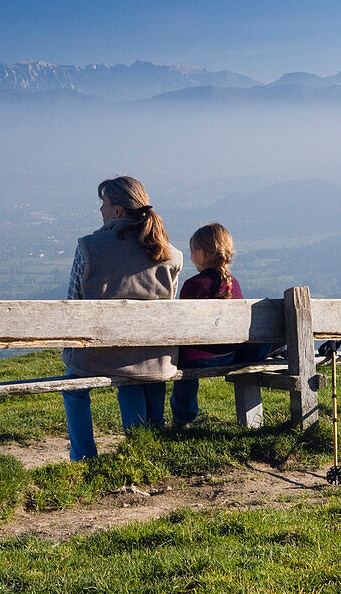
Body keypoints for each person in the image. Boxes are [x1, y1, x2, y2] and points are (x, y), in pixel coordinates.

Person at [61, 176, 182, 460]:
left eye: (103, 204)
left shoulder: (89, 248)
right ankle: (143, 448)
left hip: (97, 357)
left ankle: (83, 456)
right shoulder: (170, 254)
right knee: (137, 375)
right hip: (154, 359)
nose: (100, 211)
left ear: (117, 211)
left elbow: (72, 304)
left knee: (73, 386)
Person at [171, 223, 271, 426]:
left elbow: (182, 329)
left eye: (192, 250)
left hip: (196, 360)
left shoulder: (193, 285)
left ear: (201, 253)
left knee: (183, 369)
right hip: (229, 356)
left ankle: (183, 418)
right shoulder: (234, 284)